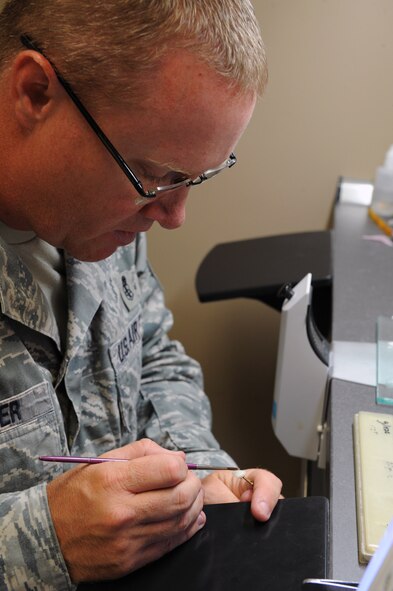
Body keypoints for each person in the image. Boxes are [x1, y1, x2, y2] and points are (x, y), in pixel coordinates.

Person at [0, 0, 283, 589]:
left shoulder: (104, 217)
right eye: (156, 176)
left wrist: (194, 473)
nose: (174, 216)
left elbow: (150, 351)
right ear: (33, 93)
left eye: (193, 179)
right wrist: (42, 541)